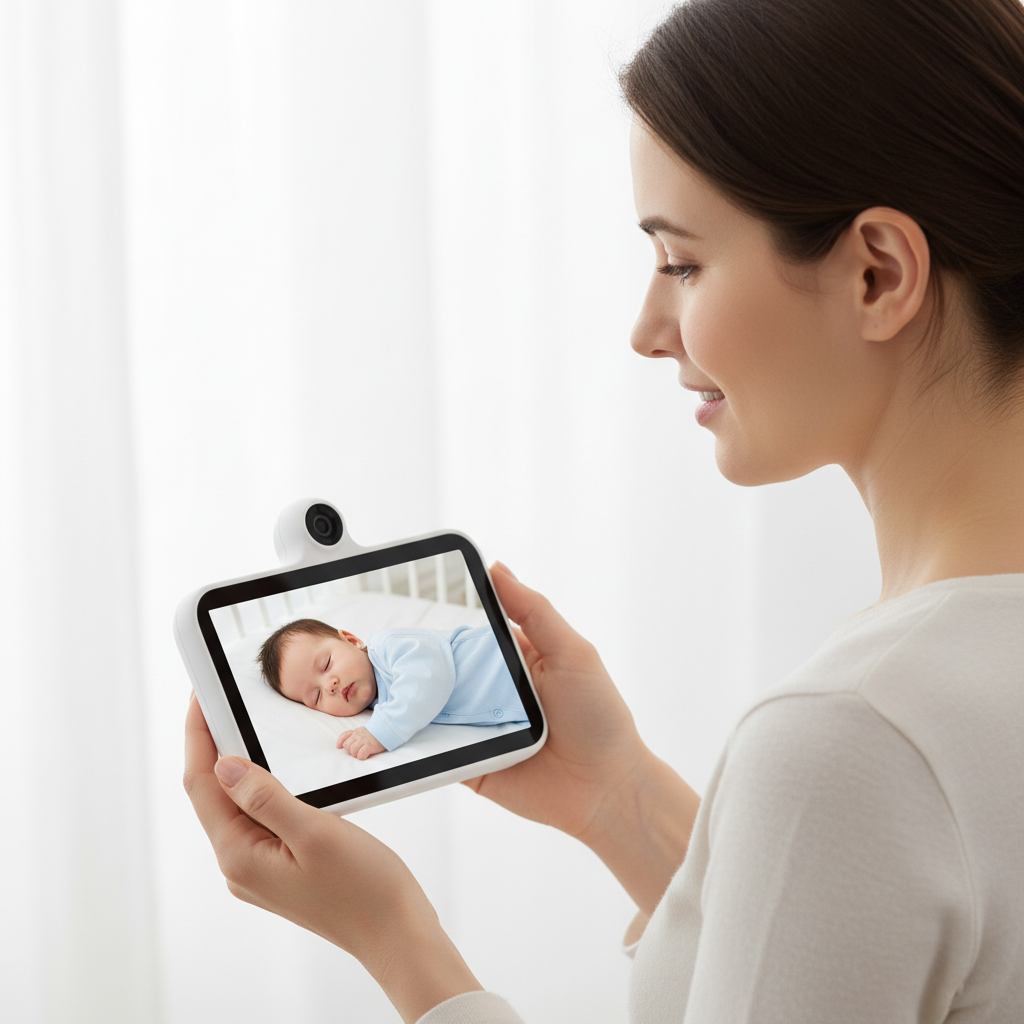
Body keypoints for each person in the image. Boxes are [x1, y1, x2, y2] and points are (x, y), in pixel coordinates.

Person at [183, 0, 1024, 1020]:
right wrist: (618, 794)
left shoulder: (853, 735)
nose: (644, 327)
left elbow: (858, 809)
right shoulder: (902, 722)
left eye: (681, 262)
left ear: (875, 273)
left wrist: (400, 941)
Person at [256, 618, 529, 759]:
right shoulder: (379, 701)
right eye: (315, 696)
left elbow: (428, 677)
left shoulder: (388, 646)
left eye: (327, 664)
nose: (329, 686)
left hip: (516, 657)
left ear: (351, 640)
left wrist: (382, 732)